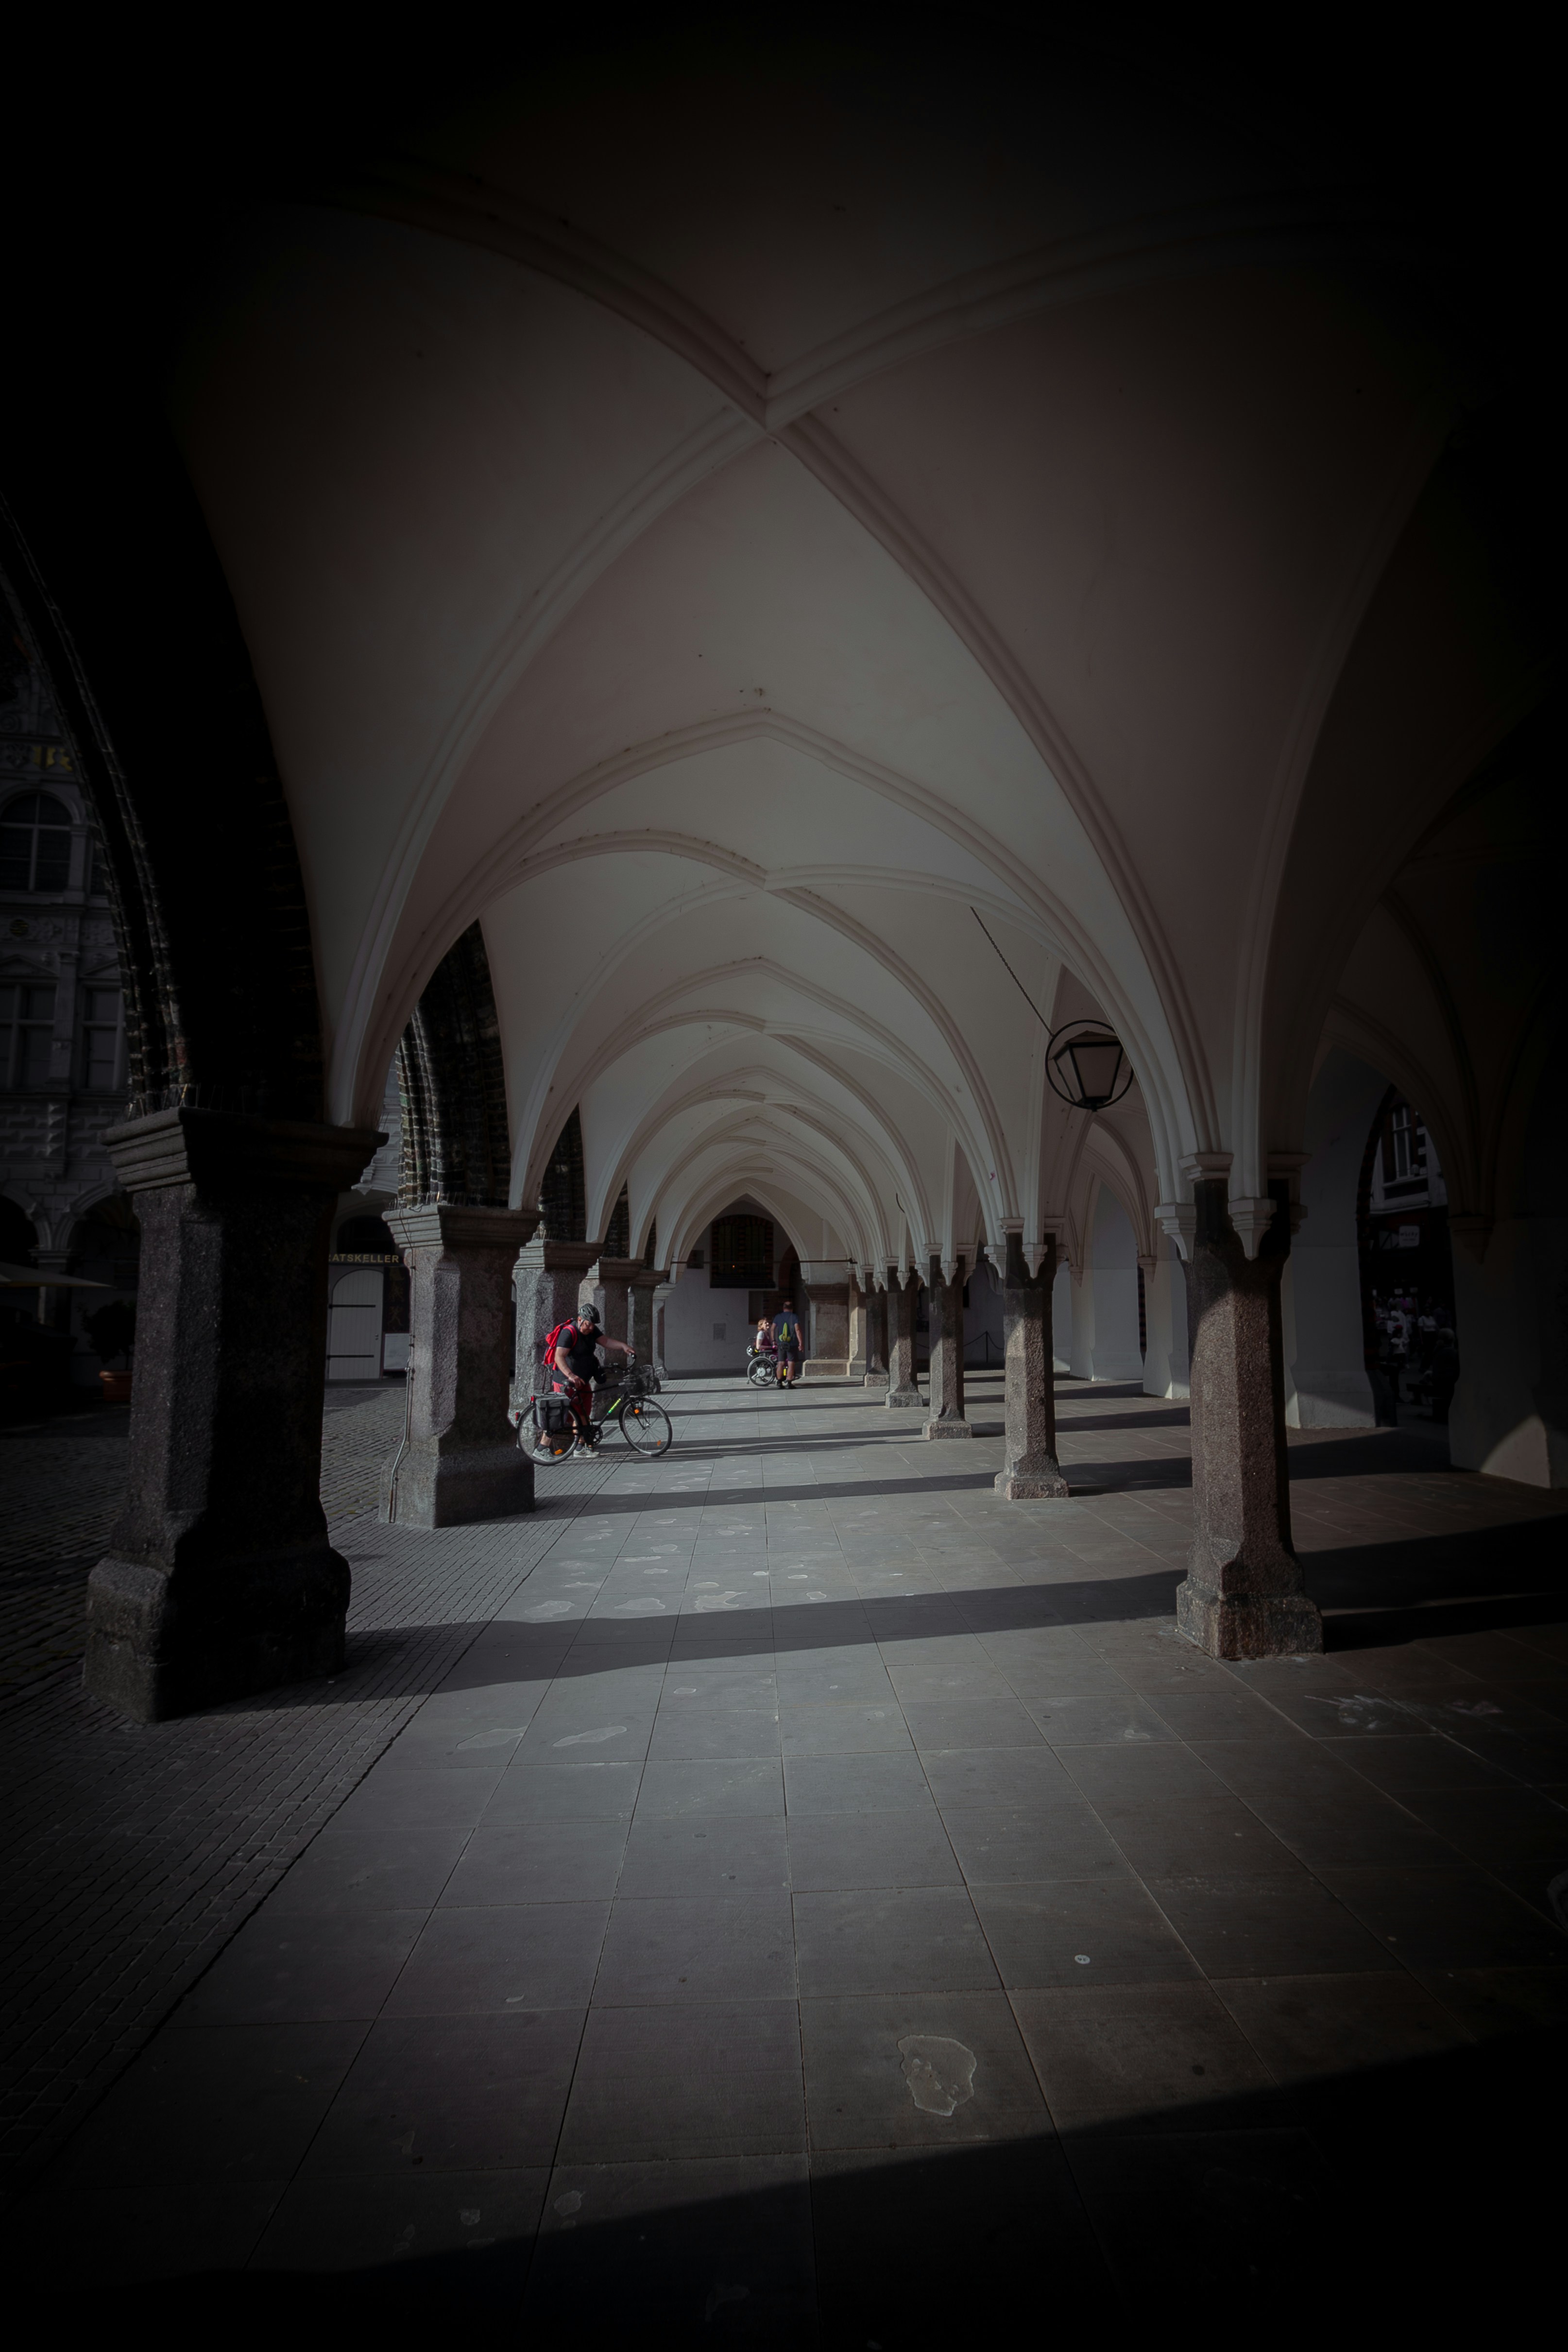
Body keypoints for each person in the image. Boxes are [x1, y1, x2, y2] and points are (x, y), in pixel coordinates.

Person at [551, 1302, 634, 1456]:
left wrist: (623, 1346)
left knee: (583, 1414)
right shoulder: (569, 1333)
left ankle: (581, 1448)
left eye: (593, 1325)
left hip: (582, 1381)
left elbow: (606, 1341)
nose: (590, 1328)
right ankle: (543, 1448)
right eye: (588, 1324)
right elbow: (559, 1357)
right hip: (566, 1381)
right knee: (561, 1415)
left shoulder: (592, 1331)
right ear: (580, 1319)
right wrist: (571, 1375)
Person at [770, 1297, 804, 1389]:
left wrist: (774, 1340)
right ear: (792, 1308)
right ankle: (789, 1383)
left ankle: (779, 1382)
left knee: (780, 1363)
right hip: (792, 1344)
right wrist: (801, 1343)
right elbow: (798, 1330)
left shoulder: (778, 1317)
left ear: (784, 1308)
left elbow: (772, 1329)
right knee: (791, 1363)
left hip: (781, 1344)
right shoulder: (794, 1317)